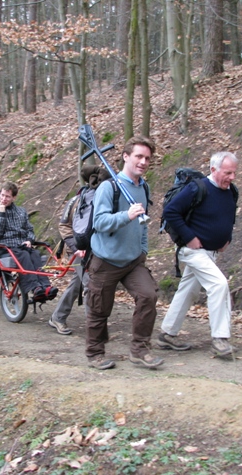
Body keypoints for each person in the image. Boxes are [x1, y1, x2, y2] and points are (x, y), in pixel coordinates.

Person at [85, 136, 163, 370]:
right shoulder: (109, 188)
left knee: (148, 296)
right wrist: (125, 216)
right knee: (99, 309)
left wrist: (143, 250)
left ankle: (140, 349)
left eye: (147, 158)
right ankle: (95, 354)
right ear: (126, 156)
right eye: (138, 156)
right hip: (106, 260)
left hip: (132, 261)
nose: (143, 162)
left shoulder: (143, 187)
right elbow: (99, 222)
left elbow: (142, 223)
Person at [157, 151, 239, 357]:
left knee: (187, 291)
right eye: (227, 173)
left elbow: (228, 214)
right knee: (219, 285)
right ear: (213, 169)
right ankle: (220, 339)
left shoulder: (231, 191)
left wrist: (226, 238)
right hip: (192, 251)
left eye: (234, 173)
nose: (232, 177)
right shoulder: (197, 188)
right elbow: (171, 212)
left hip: (211, 253)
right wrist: (189, 237)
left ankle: (167, 333)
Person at [49, 166, 111, 335]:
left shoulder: (106, 198)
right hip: (78, 251)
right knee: (90, 285)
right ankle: (95, 330)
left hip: (98, 251)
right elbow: (64, 226)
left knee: (76, 284)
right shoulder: (75, 201)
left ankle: (57, 317)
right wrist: (76, 248)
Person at [0, 181, 58, 302]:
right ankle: (34, 288)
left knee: (34, 254)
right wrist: (1, 214)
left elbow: (29, 229)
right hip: (3, 247)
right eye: (2, 195)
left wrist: (29, 240)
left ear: (14, 198)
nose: (4, 199)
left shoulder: (21, 212)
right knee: (23, 255)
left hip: (21, 245)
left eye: (7, 196)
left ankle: (45, 286)